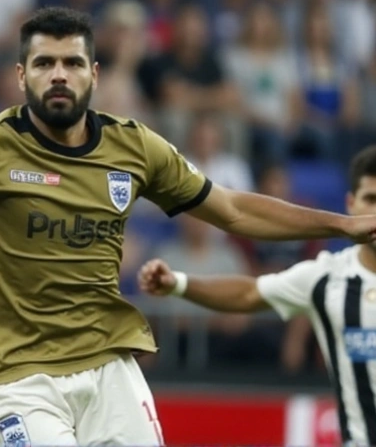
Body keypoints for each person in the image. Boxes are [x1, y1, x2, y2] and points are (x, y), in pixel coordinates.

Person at [0, 6, 376, 446]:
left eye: (73, 63)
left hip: (108, 367)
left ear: (94, 74)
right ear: (21, 74)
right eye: (46, 64)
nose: (60, 75)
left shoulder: (133, 147)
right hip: (17, 378)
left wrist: (344, 224)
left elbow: (230, 209)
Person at [139, 145, 376, 446]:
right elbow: (250, 293)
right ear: (351, 204)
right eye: (371, 199)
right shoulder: (326, 278)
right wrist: (178, 284)